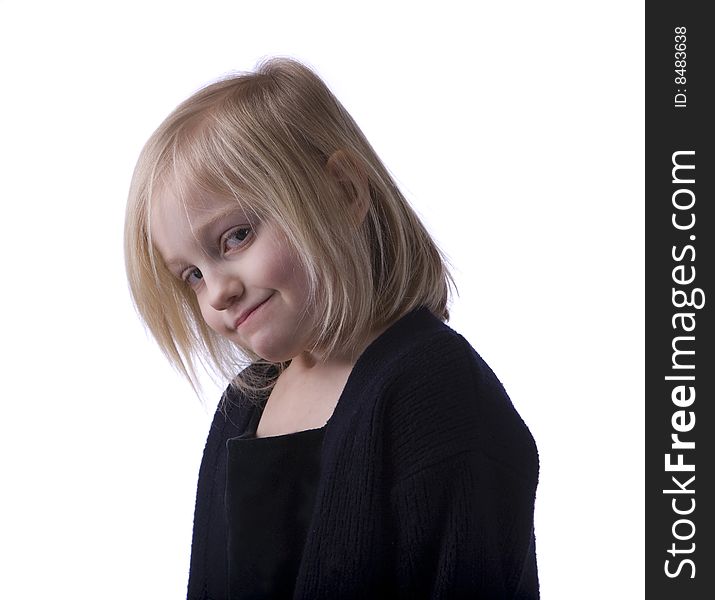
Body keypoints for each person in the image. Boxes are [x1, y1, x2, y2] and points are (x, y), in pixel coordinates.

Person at [124, 56, 539, 599]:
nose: (217, 291)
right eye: (193, 275)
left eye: (237, 236)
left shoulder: (432, 387)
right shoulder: (243, 407)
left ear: (343, 192)